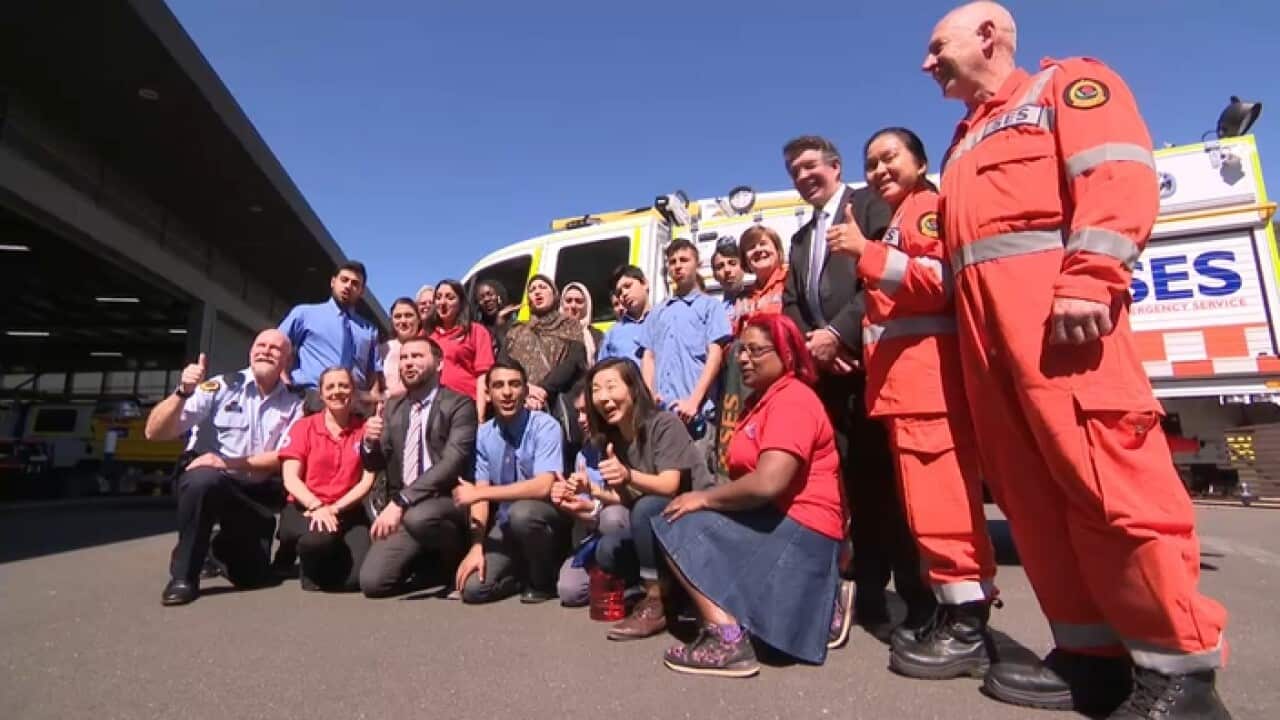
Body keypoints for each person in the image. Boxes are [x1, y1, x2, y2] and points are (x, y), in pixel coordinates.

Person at [923, 3, 1230, 717]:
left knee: (1113, 492)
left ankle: (1179, 674)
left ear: (989, 38)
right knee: (1037, 504)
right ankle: (1091, 658)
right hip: (993, 350)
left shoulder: (1066, 87)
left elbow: (1118, 175)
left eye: (938, 47)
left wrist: (1091, 274)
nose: (927, 63)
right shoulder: (961, 142)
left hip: (1064, 335)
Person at [826, 126, 998, 679]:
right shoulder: (901, 219)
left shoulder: (927, 209)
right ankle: (951, 615)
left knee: (945, 510)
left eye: (889, 158)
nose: (878, 170)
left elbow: (938, 281)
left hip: (930, 389)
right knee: (927, 512)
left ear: (920, 162)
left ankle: (966, 627)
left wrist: (866, 253)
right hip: (906, 391)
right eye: (870, 162)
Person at [781, 135, 935, 640]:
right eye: (794, 171)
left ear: (835, 166)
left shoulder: (869, 204)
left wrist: (838, 334)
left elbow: (881, 276)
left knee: (896, 490)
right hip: (831, 381)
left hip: (877, 368)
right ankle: (868, 593)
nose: (803, 176)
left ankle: (921, 603)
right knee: (853, 489)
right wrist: (812, 346)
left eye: (809, 166)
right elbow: (792, 305)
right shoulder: (802, 239)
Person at [651, 313, 846, 677]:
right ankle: (822, 598)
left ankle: (726, 639)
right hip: (779, 520)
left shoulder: (793, 399)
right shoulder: (761, 401)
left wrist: (705, 499)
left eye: (755, 351)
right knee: (686, 513)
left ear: (786, 354)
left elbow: (768, 482)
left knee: (678, 521)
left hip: (801, 529)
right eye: (741, 350)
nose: (742, 358)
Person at [143, 329, 304, 606]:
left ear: (287, 361)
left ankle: (214, 546)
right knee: (203, 480)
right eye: (260, 345)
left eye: (275, 348)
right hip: (211, 483)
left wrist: (228, 461)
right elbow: (154, 432)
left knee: (253, 578)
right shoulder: (219, 387)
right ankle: (184, 576)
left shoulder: (293, 403)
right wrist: (182, 391)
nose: (266, 351)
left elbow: (286, 455)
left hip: (253, 494)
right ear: (251, 352)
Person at [581, 357, 717, 641]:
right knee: (608, 549)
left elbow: (669, 486)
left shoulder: (663, 424)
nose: (603, 397)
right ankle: (673, 594)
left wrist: (627, 475)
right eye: (595, 390)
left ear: (633, 389)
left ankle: (656, 600)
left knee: (646, 508)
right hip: (659, 523)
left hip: (697, 521)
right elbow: (626, 499)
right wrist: (592, 492)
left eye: (610, 386)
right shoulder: (612, 439)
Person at [357, 336, 478, 598]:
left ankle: (454, 561)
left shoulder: (460, 404)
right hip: (405, 508)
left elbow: (451, 463)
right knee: (372, 583)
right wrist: (368, 443)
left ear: (439, 363)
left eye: (417, 356)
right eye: (404, 357)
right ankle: (426, 565)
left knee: (420, 517)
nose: (408, 363)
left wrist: (401, 501)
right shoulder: (392, 407)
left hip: (446, 501)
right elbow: (377, 463)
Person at [452, 361, 570, 604]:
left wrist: (479, 494)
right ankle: (518, 575)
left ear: (526, 391)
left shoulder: (545, 426)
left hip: (545, 520)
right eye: (498, 385)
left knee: (522, 512)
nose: (507, 392)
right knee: (473, 590)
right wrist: (477, 546)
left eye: (515, 385)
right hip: (505, 525)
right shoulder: (483, 435)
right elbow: (480, 495)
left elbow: (543, 485)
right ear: (488, 393)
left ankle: (544, 580)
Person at [276, 366, 374, 591]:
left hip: (346, 509)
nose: (337, 391)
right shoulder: (304, 427)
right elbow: (290, 478)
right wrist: (317, 505)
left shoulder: (364, 430)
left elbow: (367, 481)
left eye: (344, 385)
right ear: (321, 394)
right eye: (330, 387)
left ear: (354, 391)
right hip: (306, 507)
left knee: (356, 580)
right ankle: (307, 562)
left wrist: (335, 509)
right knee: (319, 541)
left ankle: (326, 560)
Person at [640, 239, 732, 461]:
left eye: (684, 260)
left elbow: (715, 355)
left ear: (697, 264)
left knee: (699, 485)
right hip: (663, 416)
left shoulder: (711, 307)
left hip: (696, 416)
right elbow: (648, 356)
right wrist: (650, 395)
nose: (677, 266)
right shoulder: (657, 312)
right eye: (672, 262)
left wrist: (694, 401)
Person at [549, 387, 631, 606]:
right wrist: (571, 504)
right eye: (578, 413)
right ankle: (605, 577)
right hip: (595, 535)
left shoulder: (624, 446)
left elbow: (630, 503)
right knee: (569, 591)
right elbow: (590, 515)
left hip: (627, 529)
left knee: (612, 518)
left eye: (587, 412)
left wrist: (595, 502)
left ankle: (637, 584)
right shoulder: (583, 454)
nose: (581, 420)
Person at [279, 261, 382, 410]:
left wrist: (373, 404)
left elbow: (373, 372)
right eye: (344, 280)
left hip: (352, 405)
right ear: (333, 282)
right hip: (310, 397)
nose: (348, 286)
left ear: (361, 291)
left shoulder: (369, 330)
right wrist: (285, 381)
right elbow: (278, 346)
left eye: (355, 283)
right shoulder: (304, 314)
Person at [502, 275, 586, 439]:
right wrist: (525, 389)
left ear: (555, 294)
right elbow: (503, 364)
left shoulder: (569, 325)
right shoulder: (516, 330)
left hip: (554, 405)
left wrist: (543, 390)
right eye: (532, 290)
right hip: (520, 402)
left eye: (543, 287)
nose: (537, 292)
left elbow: (573, 361)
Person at [424, 279, 495, 421]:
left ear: (461, 302)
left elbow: (483, 376)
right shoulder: (427, 336)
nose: (443, 302)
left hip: (466, 407)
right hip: (434, 410)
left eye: (449, 297)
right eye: (438, 297)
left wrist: (480, 416)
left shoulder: (476, 331)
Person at [733, 225, 789, 330]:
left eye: (763, 244)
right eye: (751, 247)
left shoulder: (791, 280)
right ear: (745, 259)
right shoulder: (743, 298)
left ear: (777, 250)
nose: (758, 250)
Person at [598, 265, 651, 365]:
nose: (624, 294)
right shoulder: (613, 334)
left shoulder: (664, 320)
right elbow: (602, 372)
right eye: (619, 293)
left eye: (628, 286)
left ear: (644, 283)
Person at [380, 297, 422, 400]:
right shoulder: (382, 350)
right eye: (398, 316)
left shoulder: (428, 348)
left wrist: (383, 396)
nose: (403, 321)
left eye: (408, 315)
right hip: (387, 411)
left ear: (419, 319)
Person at [559, 281, 604, 364]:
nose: (573, 306)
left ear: (587, 305)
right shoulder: (552, 332)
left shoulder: (597, 335)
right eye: (568, 301)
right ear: (562, 304)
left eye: (578, 301)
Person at [474, 278, 518, 356]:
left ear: (498, 297)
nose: (487, 299)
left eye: (490, 294)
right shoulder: (479, 330)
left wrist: (500, 325)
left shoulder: (514, 317)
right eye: (481, 298)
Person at [711, 240, 747, 327]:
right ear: (715, 276)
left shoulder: (758, 299)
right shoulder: (713, 313)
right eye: (720, 266)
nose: (727, 270)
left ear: (744, 267)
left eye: (732, 263)